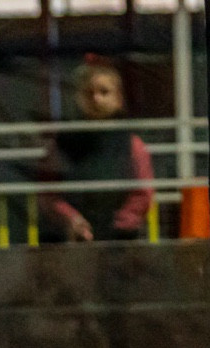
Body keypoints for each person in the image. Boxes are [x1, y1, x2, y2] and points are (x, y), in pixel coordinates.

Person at [39, 59, 154, 243]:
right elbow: (48, 192)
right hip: (69, 238)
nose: (96, 99)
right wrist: (71, 219)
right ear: (79, 98)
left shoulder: (133, 144)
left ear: (118, 98)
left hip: (120, 240)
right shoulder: (61, 143)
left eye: (104, 92)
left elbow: (142, 193)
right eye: (88, 93)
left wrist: (119, 224)